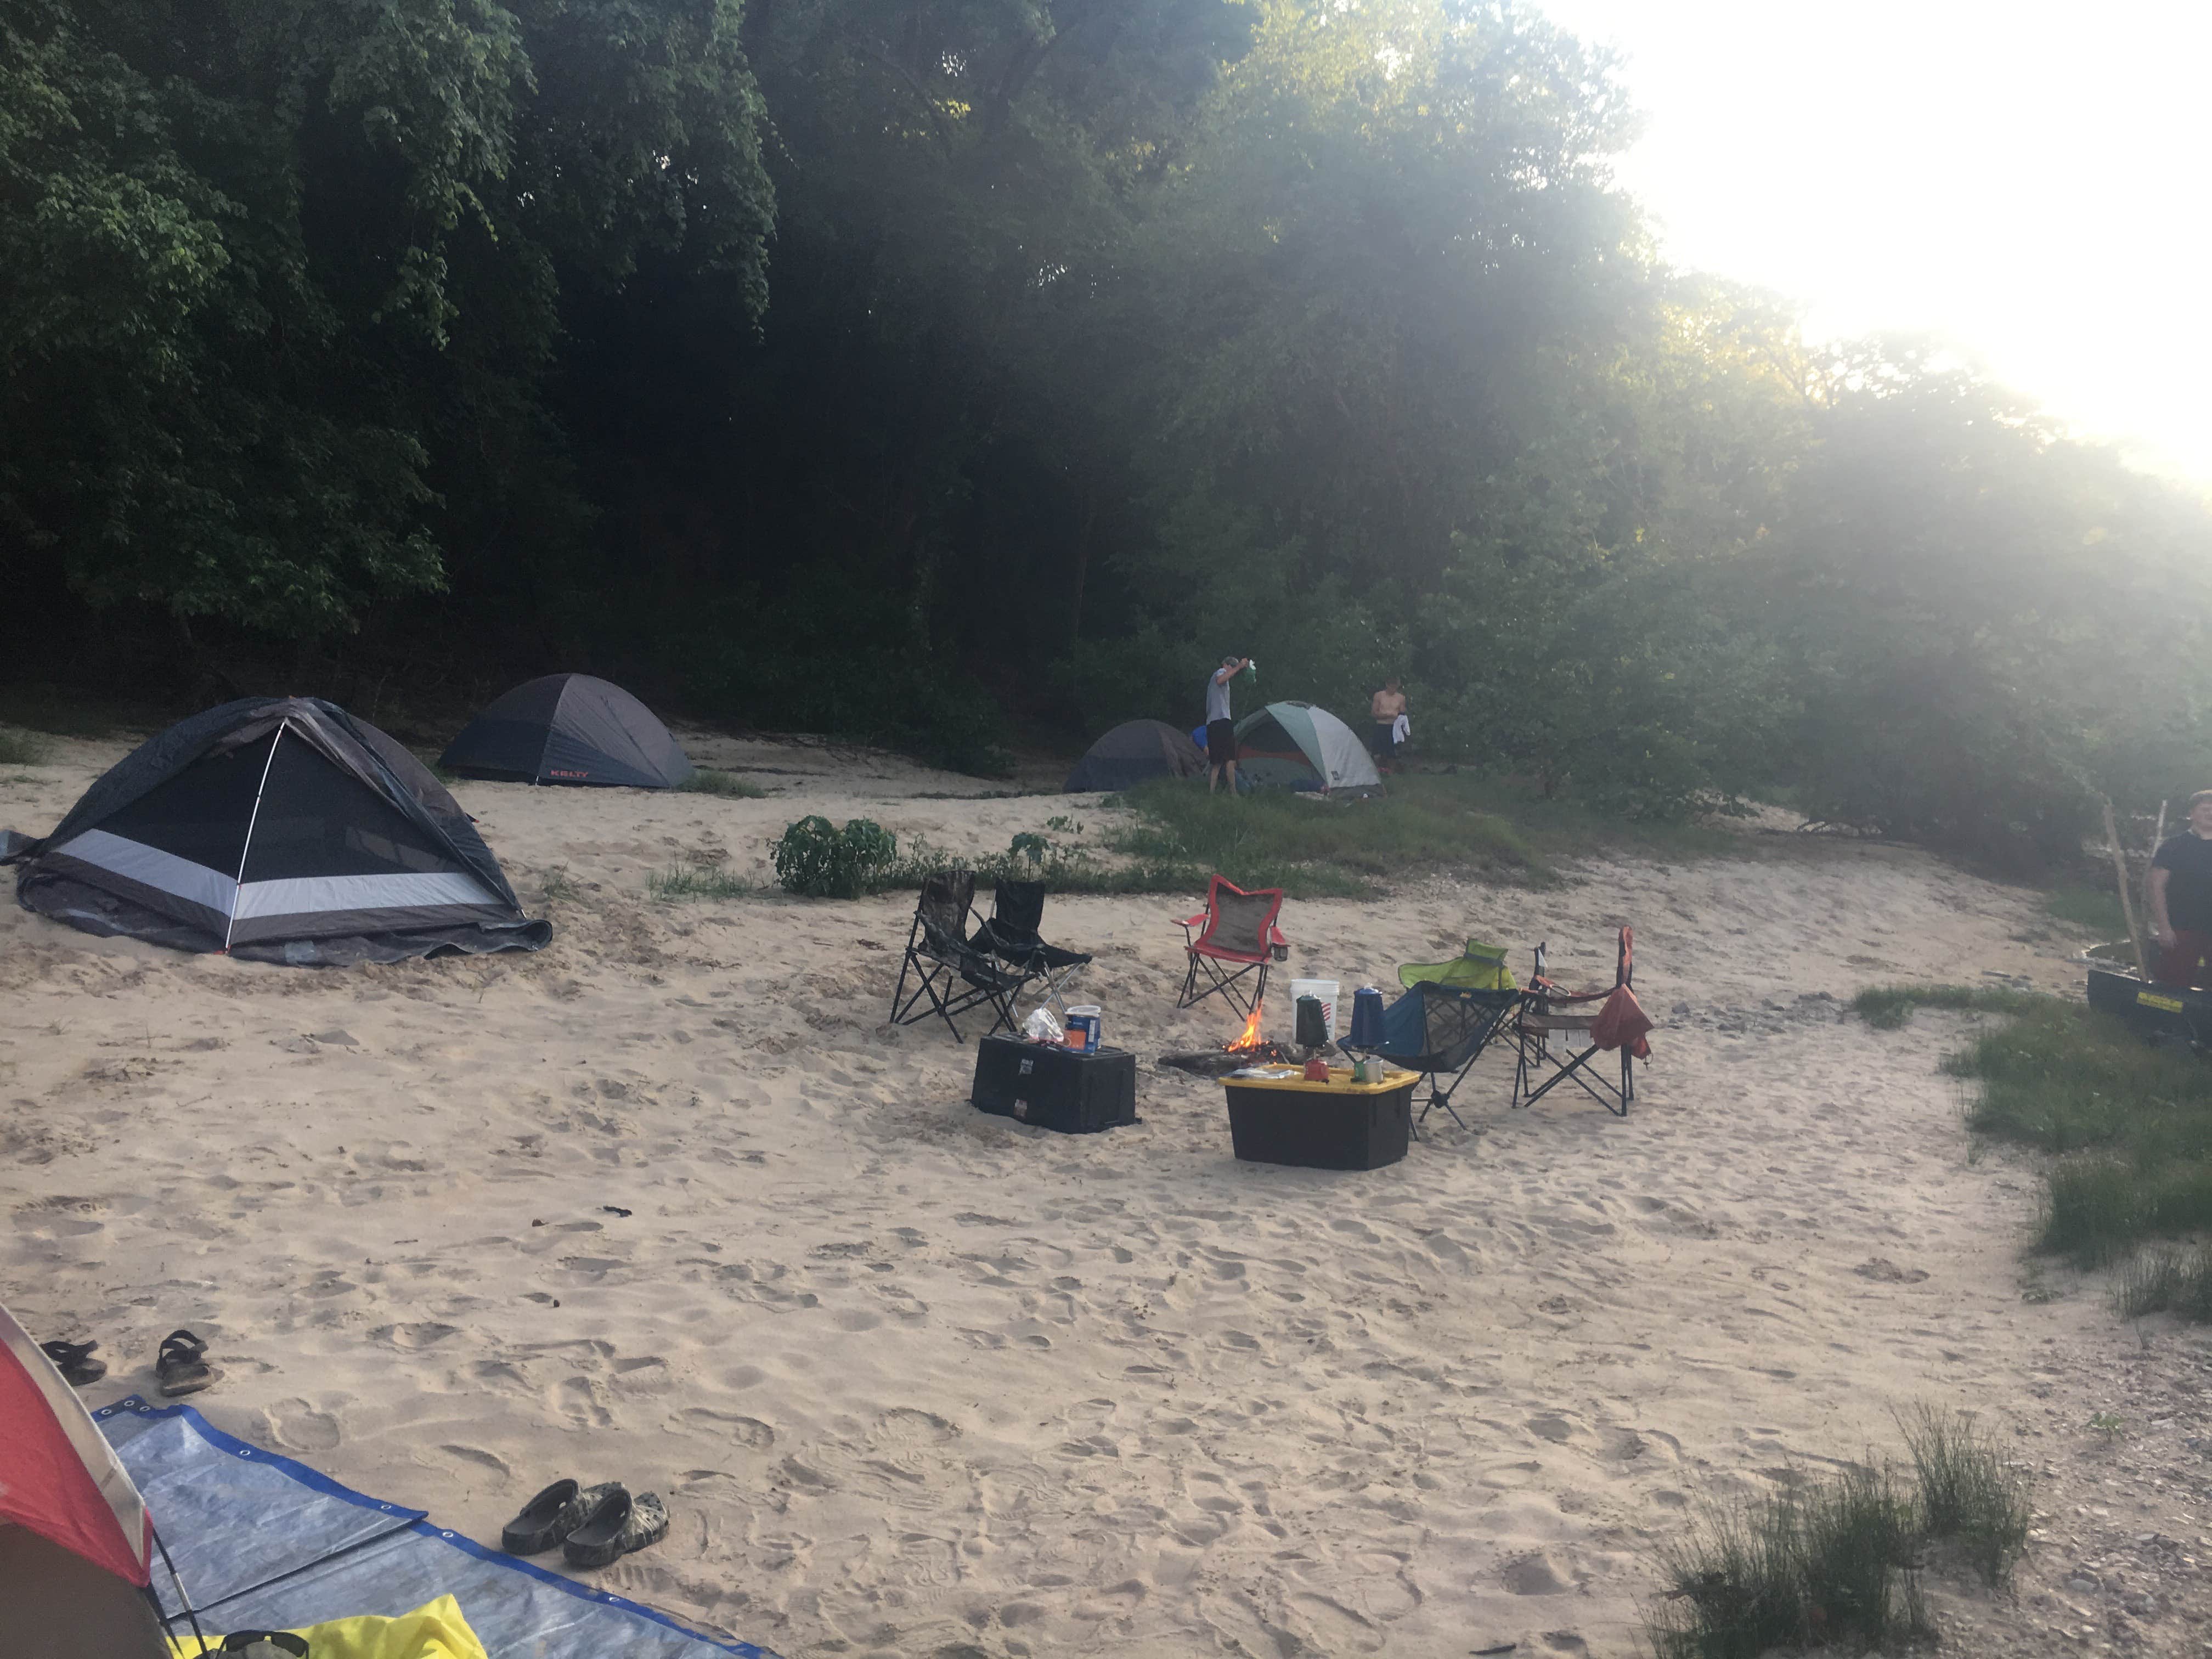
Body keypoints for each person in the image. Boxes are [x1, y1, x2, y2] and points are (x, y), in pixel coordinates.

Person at [1205, 656, 1250, 794]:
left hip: (1213, 723)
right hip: (1221, 722)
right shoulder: (1220, 672)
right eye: (1232, 667)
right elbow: (1221, 680)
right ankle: (1233, 792)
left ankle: (1212, 793)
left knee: (1217, 762)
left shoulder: (1219, 680)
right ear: (1227, 665)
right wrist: (1239, 667)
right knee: (1230, 759)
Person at [1369, 678, 1408, 771]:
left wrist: (1400, 716)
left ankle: (1391, 771)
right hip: (1381, 725)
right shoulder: (1379, 696)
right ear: (1387, 685)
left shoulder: (1401, 698)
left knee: (1392, 751)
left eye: (1395, 687)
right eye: (1391, 686)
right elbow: (1374, 713)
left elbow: (1402, 713)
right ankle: (1377, 770)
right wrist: (1387, 715)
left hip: (1394, 727)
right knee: (1377, 750)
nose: (1393, 689)